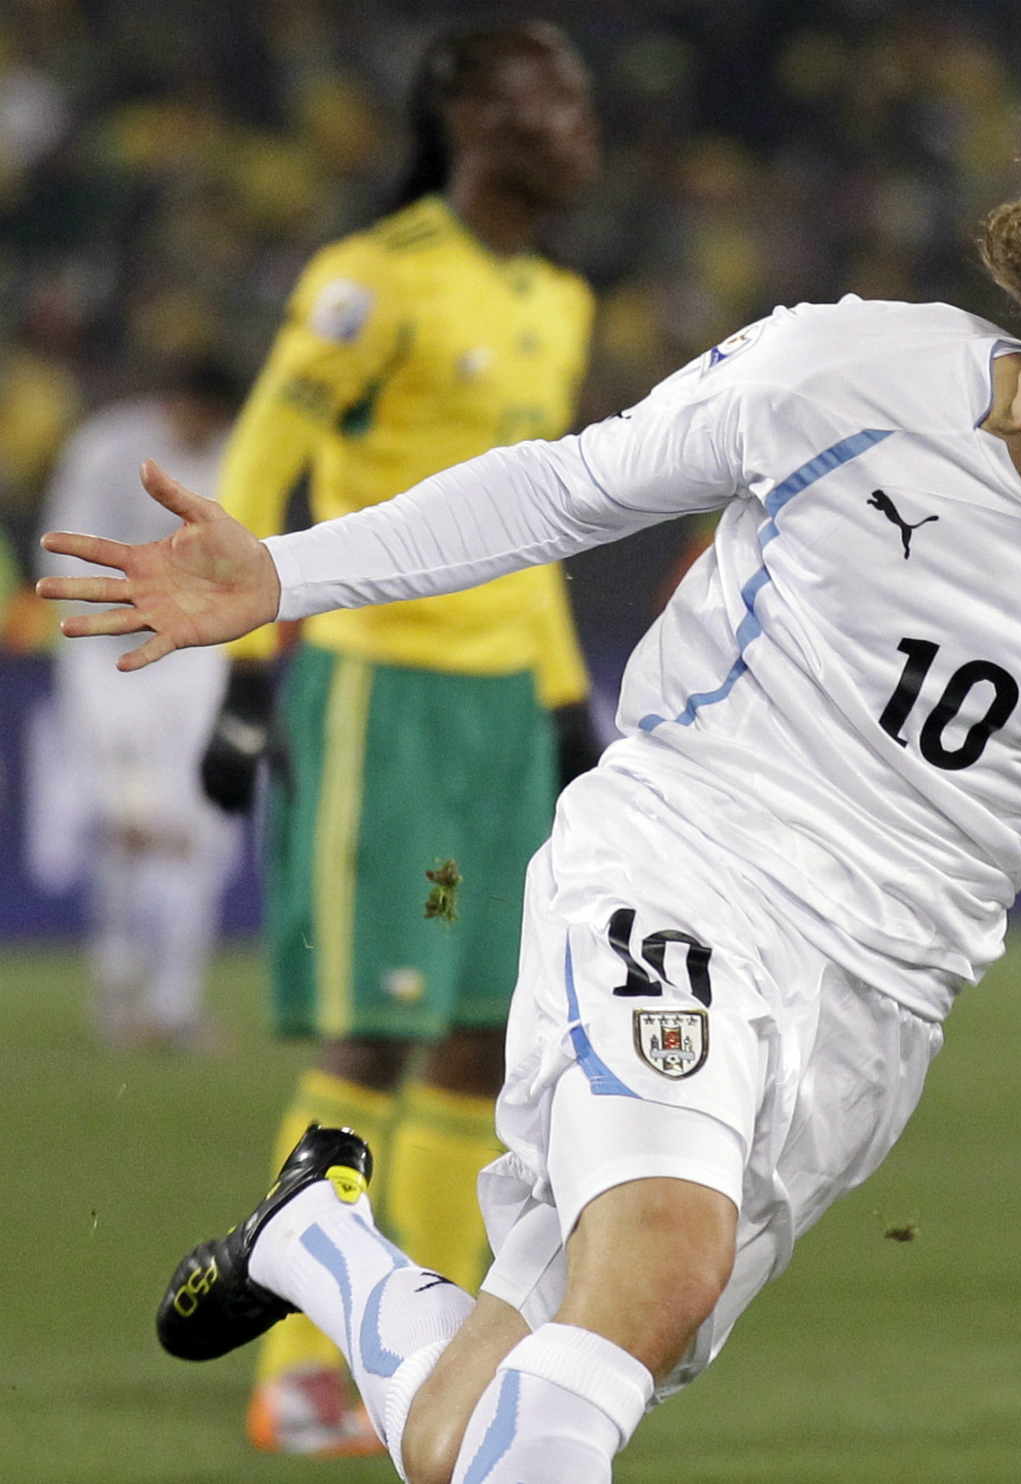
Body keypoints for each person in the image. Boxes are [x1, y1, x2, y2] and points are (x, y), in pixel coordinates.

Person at [46, 104, 1021, 1484]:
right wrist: (287, 574)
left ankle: (318, 1240)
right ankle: (338, 1243)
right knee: (662, 1264)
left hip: (873, 1016)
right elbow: (564, 488)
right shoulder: (840, 379)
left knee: (490, 1418)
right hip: (683, 869)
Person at [196, 22, 603, 1455]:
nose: (579, 120)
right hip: (385, 697)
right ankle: (295, 1367)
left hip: (500, 710)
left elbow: (541, 529)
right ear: (470, 116)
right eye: (547, 96)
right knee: (376, 1027)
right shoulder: (374, 279)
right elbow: (258, 463)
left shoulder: (557, 298)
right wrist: (249, 677)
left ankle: (406, 1357)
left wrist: (564, 706)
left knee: (483, 1047)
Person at [30, 360, 244, 1051]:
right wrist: (90, 679)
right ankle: (118, 981)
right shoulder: (109, 449)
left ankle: (175, 1002)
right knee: (130, 826)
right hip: (112, 660)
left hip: (199, 663)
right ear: (176, 399)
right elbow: (67, 560)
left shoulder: (237, 457)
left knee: (204, 830)